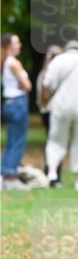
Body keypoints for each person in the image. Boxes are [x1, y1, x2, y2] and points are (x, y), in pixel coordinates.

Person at [41, 40, 78, 192]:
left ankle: (52, 171)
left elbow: (47, 83)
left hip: (61, 107)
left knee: (55, 140)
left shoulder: (58, 61)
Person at [1, 32, 32, 190]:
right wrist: (25, 84)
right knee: (18, 141)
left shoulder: (5, 62)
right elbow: (27, 85)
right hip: (18, 104)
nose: (19, 45)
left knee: (11, 140)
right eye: (16, 42)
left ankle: (4, 174)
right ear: (8, 46)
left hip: (8, 103)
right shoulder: (14, 63)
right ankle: (11, 177)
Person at [36, 44, 63, 185]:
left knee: (51, 141)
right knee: (56, 143)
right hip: (52, 111)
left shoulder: (44, 72)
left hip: (46, 111)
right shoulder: (52, 73)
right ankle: (54, 175)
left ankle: (50, 172)